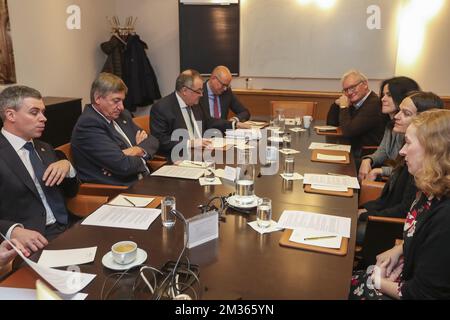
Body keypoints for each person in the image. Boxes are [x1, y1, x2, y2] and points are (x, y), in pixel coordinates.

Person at [351, 109, 450, 299]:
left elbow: (422, 294)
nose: (402, 151)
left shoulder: (445, 216)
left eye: (408, 143)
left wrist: (378, 280)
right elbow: (424, 238)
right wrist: (400, 249)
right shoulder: (428, 189)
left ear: (435, 150)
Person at [357, 92, 444, 247]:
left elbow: (404, 210)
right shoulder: (408, 152)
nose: (396, 116)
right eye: (399, 110)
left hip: (389, 227)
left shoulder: (421, 165)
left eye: (406, 113)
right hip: (385, 220)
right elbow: (389, 199)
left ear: (424, 121)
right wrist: (365, 210)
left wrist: (366, 214)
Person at [0, 86, 79, 252]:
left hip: (69, 226)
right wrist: (13, 230)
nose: (43, 118)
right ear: (10, 115)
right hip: (32, 241)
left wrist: (68, 167)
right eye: (34, 112)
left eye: (43, 112)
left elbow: (72, 192)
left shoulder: (44, 148)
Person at [71, 73, 159, 186]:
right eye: (116, 101)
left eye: (122, 101)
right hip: (119, 191)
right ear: (98, 98)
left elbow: (153, 140)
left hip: (143, 179)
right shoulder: (88, 125)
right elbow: (124, 166)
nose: (121, 107)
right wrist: (143, 153)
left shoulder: (122, 116)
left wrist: (137, 150)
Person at [150, 69, 249, 159]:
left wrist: (233, 124)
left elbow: (209, 121)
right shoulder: (162, 108)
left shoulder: (195, 103)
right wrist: (190, 143)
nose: (201, 95)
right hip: (179, 158)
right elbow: (160, 141)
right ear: (184, 91)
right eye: (198, 91)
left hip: (203, 154)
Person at [359, 77, 420, 181]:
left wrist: (381, 171)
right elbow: (383, 150)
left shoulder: (410, 128)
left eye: (389, 95)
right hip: (390, 171)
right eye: (383, 94)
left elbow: (406, 168)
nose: (383, 99)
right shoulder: (390, 123)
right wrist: (368, 160)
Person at [326, 70, 387, 158]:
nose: (349, 93)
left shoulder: (373, 104)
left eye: (352, 87)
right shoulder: (356, 102)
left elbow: (348, 131)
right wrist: (336, 104)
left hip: (366, 155)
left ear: (365, 84)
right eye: (346, 90)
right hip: (353, 149)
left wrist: (344, 107)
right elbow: (331, 124)